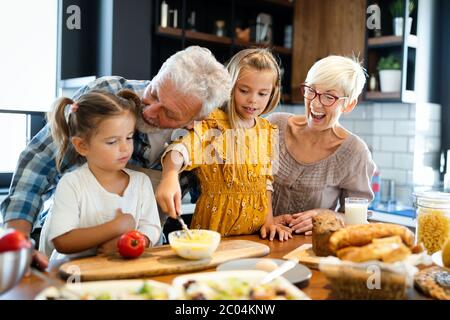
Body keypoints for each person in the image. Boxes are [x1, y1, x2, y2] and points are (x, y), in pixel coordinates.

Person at [0, 46, 231, 268]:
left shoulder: (202, 138)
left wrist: (136, 240)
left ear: (193, 122)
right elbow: (38, 166)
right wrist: (17, 243)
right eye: (154, 92)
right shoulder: (108, 95)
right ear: (159, 73)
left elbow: (211, 200)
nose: (149, 111)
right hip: (69, 261)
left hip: (136, 261)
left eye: (169, 113)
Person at [156, 48, 292, 241]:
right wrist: (169, 175)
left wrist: (269, 221)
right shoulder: (213, 123)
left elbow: (266, 184)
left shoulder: (268, 131)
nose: (253, 99)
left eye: (263, 93)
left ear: (273, 94)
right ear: (230, 87)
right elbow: (181, 149)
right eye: (244, 90)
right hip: (214, 233)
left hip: (255, 235)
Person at [39, 90, 161, 260]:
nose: (125, 148)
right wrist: (116, 227)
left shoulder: (141, 182)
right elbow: (62, 240)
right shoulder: (72, 183)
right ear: (82, 146)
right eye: (112, 141)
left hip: (122, 271)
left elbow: (151, 228)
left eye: (129, 137)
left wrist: (130, 242)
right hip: (74, 275)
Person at [267, 55, 376, 235]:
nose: (315, 103)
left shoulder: (355, 152)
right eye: (311, 91)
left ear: (349, 104)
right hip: (256, 241)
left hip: (308, 251)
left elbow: (357, 219)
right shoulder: (274, 125)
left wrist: (326, 216)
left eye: (329, 96)